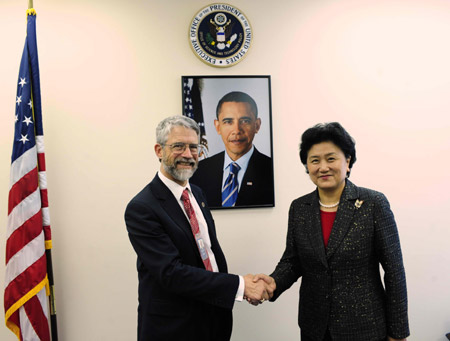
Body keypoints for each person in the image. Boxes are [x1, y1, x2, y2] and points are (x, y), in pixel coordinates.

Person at [253, 122, 409, 340]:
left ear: (348, 161)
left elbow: (394, 272)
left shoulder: (373, 203)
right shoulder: (299, 208)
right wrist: (273, 282)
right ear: (307, 166)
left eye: (331, 158)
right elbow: (293, 261)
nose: (323, 167)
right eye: (314, 160)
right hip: (315, 328)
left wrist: (398, 333)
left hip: (364, 328)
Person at [124, 115, 274, 341]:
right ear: (158, 150)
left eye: (194, 147)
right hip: (173, 328)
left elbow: (208, 254)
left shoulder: (198, 194)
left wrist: (238, 289)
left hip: (214, 320)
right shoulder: (142, 207)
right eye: (178, 146)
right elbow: (171, 273)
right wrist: (241, 286)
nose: (187, 154)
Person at [190, 91, 274, 208]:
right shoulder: (198, 172)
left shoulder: (272, 170)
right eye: (228, 122)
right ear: (218, 126)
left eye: (245, 121)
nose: (236, 130)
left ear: (257, 125)